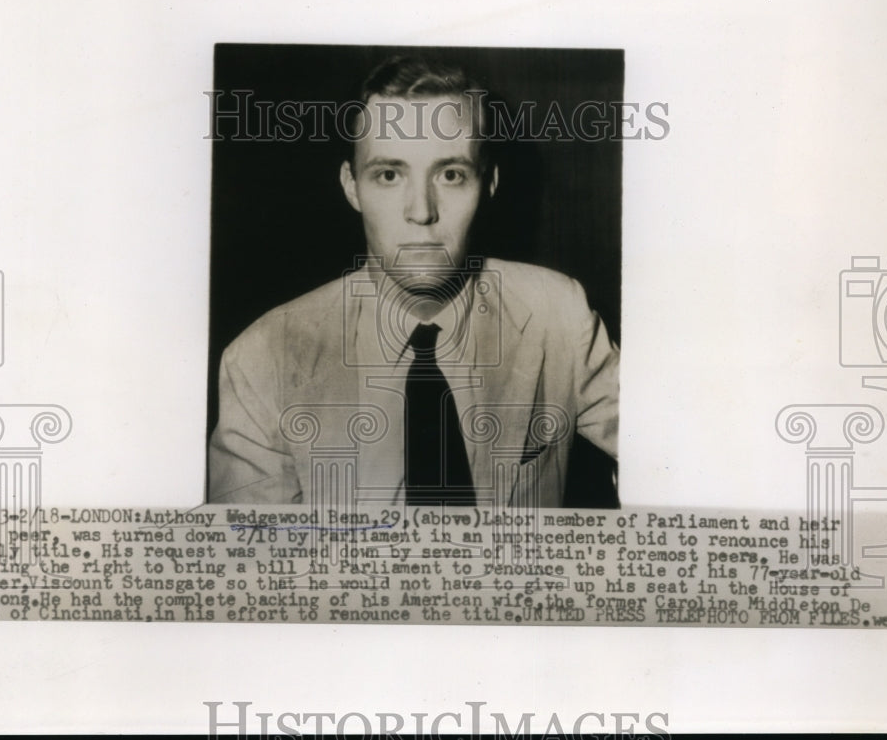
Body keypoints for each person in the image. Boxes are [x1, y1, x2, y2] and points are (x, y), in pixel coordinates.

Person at [208, 55, 619, 507]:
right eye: (388, 174)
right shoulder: (263, 358)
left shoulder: (559, 314)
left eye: (451, 175)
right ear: (351, 186)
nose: (421, 211)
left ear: (490, 184)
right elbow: (247, 561)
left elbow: (676, 451)